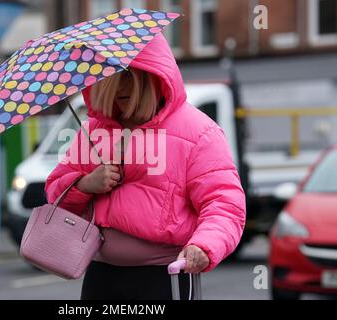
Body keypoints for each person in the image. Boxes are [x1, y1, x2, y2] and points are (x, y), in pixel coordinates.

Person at [44, 33, 246, 300]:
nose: (120, 86)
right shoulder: (92, 131)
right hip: (100, 277)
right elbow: (54, 199)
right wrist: (84, 184)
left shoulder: (199, 132)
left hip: (164, 278)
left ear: (154, 75)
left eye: (130, 74)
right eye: (113, 75)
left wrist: (204, 246)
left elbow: (224, 205)